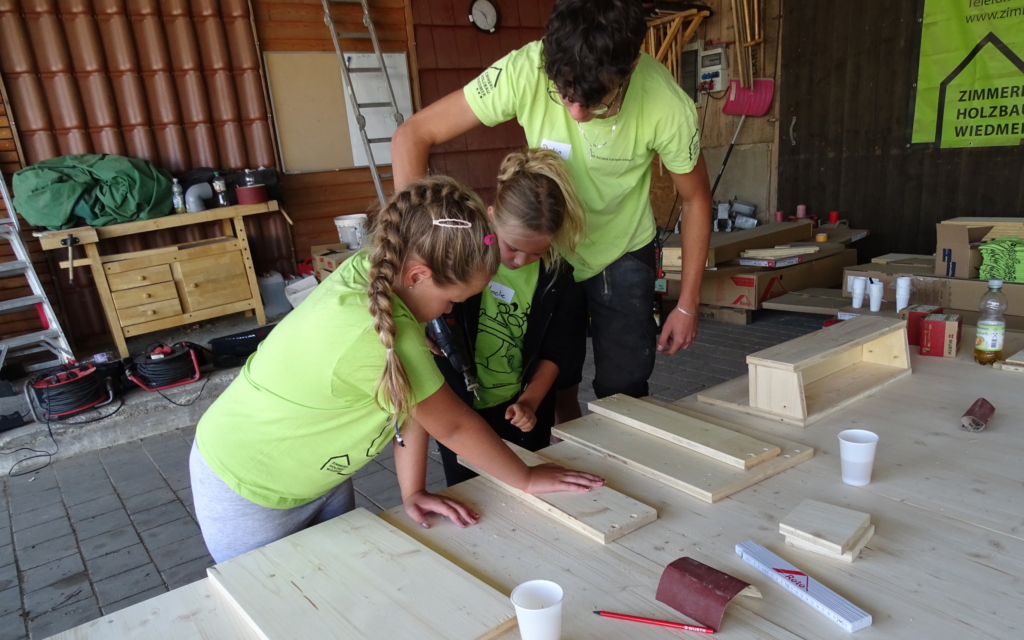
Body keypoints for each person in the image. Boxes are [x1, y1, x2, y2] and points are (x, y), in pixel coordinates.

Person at [189, 176, 604, 563]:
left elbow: (411, 403)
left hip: (320, 476)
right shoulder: (375, 331)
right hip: (247, 487)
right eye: (452, 300)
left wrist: (414, 489)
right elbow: (453, 427)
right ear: (418, 275)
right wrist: (526, 479)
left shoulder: (378, 276)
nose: (450, 311)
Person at [392, 0, 712, 417]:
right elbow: (413, 135)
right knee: (553, 376)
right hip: (546, 250)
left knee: (625, 386)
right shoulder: (526, 68)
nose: (576, 114)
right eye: (564, 94)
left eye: (597, 102)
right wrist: (420, 252)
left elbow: (696, 198)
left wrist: (688, 302)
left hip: (619, 250)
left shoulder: (668, 106)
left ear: (632, 64)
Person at [435, 149, 586, 486]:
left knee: (531, 482)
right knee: (470, 490)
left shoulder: (559, 281)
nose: (522, 260)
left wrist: (530, 402)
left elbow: (555, 351)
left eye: (538, 252)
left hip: (523, 408)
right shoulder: (458, 263)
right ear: (491, 218)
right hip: (461, 409)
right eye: (512, 248)